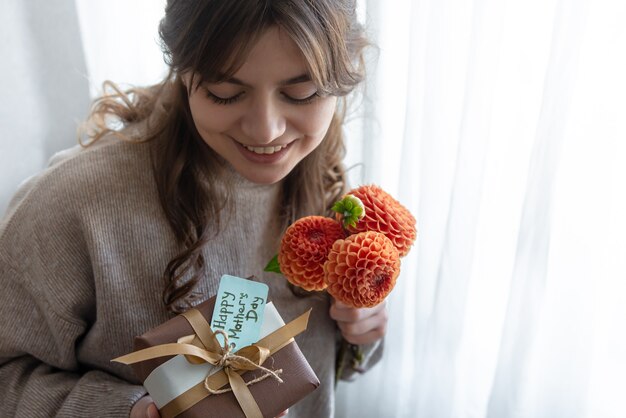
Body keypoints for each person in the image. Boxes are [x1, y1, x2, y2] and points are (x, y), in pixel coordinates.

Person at [0, 1, 387, 417]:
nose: (267, 130)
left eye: (302, 93)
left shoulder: (324, 181)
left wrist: (362, 334)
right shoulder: (73, 205)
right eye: (226, 94)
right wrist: (128, 412)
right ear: (183, 70)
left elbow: (323, 369)